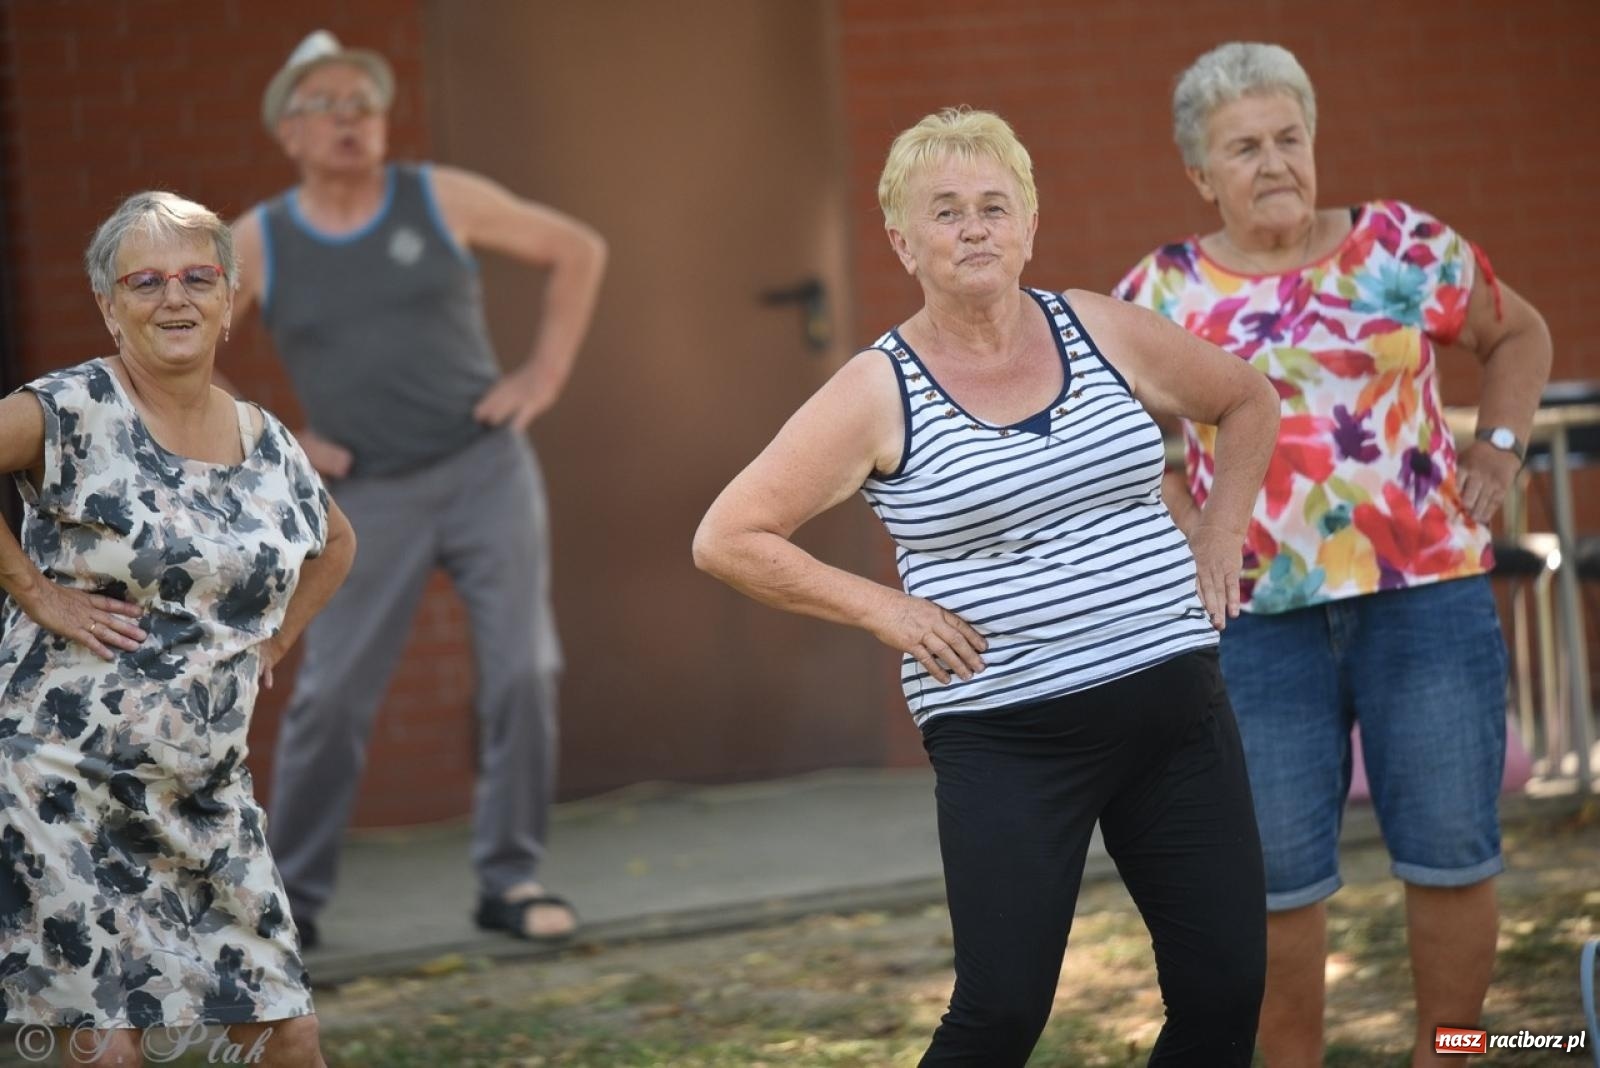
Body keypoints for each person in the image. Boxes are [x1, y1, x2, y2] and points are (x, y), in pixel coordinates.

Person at [694, 106, 1280, 1066]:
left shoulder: (1097, 325)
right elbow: (729, 535)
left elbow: (1247, 397)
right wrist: (885, 609)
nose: (975, 229)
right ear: (902, 240)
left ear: (1029, 226)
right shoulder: (879, 388)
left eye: (995, 207)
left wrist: (1220, 531)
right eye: (947, 211)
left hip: (1175, 713)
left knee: (1224, 991)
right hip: (1010, 738)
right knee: (1002, 1013)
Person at [1114, 42, 1553, 1068]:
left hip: (1428, 603)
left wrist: (1495, 449)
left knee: (1451, 856)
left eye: (1288, 137)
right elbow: (1123, 438)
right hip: (1256, 625)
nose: (1272, 163)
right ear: (1199, 175)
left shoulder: (1403, 246)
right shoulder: (1158, 294)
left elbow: (1518, 335)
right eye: (1243, 147)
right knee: (1272, 883)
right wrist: (1187, 518)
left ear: (1314, 142)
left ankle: (1450, 1056)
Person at [229, 30, 606, 950]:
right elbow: (180, 348)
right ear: (289, 130)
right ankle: (292, 904)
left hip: (484, 468)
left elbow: (577, 248)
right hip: (368, 501)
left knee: (524, 671)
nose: (350, 117)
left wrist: (543, 378)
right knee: (330, 696)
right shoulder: (257, 239)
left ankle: (510, 881)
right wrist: (281, 439)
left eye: (363, 100)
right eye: (326, 103)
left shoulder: (438, 196)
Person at [0, 191, 354, 1066]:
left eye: (199, 276)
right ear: (109, 307)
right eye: (146, 280)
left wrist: (267, 644)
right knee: (109, 1049)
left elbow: (336, 545)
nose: (175, 298)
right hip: (59, 784)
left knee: (286, 1034)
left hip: (205, 796)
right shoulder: (69, 409)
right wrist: (38, 591)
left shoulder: (267, 442)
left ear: (230, 299)